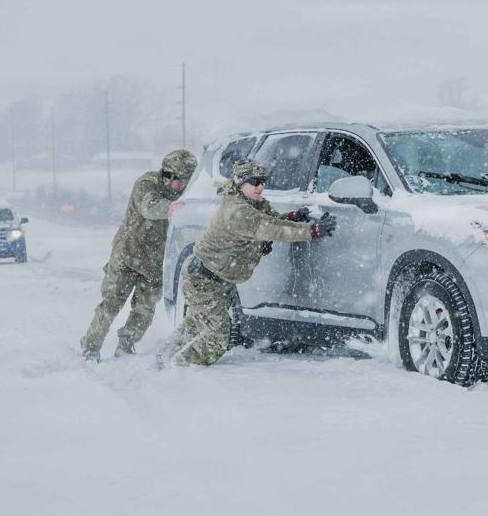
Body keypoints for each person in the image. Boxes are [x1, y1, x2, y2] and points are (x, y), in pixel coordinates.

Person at [162, 158, 336, 367]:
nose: (260, 186)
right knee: (216, 339)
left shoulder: (253, 202)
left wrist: (293, 216)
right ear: (240, 182)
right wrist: (312, 230)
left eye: (263, 181)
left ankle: (162, 359)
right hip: (203, 280)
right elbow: (270, 228)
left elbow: (271, 220)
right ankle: (179, 368)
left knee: (196, 324)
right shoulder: (237, 211)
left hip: (215, 279)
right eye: (254, 181)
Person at [79, 149, 198, 361]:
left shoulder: (184, 193)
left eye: (188, 181)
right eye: (181, 181)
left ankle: (126, 344)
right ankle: (91, 346)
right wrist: (174, 208)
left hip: (155, 262)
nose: (183, 186)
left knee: (144, 310)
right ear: (167, 174)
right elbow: (149, 207)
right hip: (128, 255)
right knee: (111, 305)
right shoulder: (146, 183)